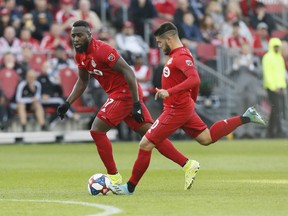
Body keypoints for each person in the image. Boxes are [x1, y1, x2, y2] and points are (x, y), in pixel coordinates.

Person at [108, 22, 267, 195]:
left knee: (145, 143)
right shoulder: (179, 54)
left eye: (160, 43)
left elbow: (195, 79)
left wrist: (170, 92)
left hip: (176, 109)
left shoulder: (181, 56)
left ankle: (129, 187)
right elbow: (191, 81)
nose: (159, 47)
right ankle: (246, 117)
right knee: (206, 138)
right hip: (182, 107)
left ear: (169, 39)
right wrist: (191, 100)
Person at [56, 20, 201, 185]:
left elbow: (129, 73)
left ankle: (114, 177)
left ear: (89, 35)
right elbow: (82, 81)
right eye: (73, 35)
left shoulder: (103, 50)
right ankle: (188, 164)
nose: (76, 39)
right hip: (120, 95)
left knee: (97, 131)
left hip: (124, 94)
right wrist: (68, 103)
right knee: (151, 135)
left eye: (80, 35)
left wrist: (136, 103)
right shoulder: (79, 54)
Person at [262, 38, 287, 138]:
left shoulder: (280, 58)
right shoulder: (267, 57)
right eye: (275, 46)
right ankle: (279, 131)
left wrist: (283, 87)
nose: (277, 48)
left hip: (280, 87)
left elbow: (282, 74)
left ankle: (270, 132)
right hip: (271, 88)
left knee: (275, 109)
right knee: (277, 109)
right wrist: (273, 87)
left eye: (278, 46)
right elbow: (267, 74)